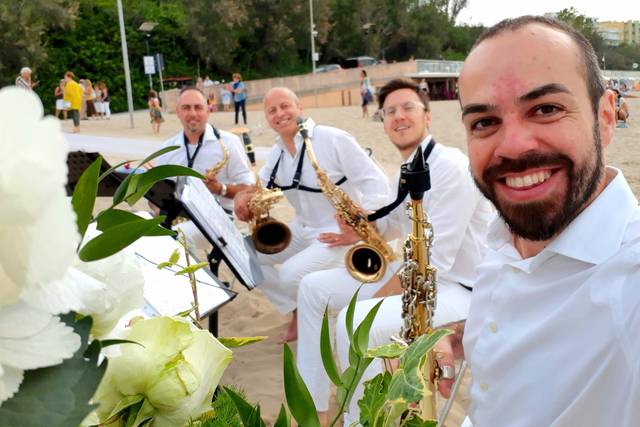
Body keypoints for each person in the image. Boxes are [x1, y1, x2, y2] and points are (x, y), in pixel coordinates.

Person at [434, 16, 640, 427]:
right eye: (484, 122)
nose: (512, 146)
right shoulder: (504, 239)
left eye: (546, 109)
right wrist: (471, 334)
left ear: (605, 117)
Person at [303, 78, 492, 426]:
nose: (398, 117)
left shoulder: (450, 166)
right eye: (390, 111)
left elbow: (434, 261)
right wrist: (359, 229)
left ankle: (361, 418)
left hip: (460, 289)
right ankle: (314, 405)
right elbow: (391, 225)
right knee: (312, 289)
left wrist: (374, 297)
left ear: (427, 116)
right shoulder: (407, 169)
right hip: (422, 277)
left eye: (408, 108)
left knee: (356, 321)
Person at [233, 87, 390, 343]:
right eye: (272, 110)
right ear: (266, 117)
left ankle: (315, 323)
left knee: (289, 275)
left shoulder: (333, 139)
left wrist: (361, 225)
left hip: (338, 234)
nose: (280, 114)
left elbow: (377, 184)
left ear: (300, 108)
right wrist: (244, 199)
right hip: (302, 229)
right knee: (241, 254)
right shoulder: (276, 153)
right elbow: (257, 190)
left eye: (285, 106)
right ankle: (297, 310)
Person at [154, 87, 255, 253]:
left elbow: (250, 188)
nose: (193, 113)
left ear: (208, 110)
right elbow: (154, 200)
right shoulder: (167, 148)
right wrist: (156, 199)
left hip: (219, 217)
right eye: (186, 108)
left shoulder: (229, 142)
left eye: (198, 107)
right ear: (178, 112)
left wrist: (220, 189)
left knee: (180, 239)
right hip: (178, 216)